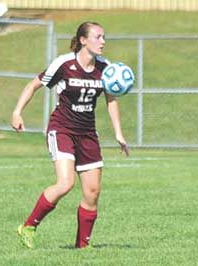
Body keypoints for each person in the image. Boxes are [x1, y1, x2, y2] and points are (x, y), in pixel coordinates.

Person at [11, 21, 129, 249]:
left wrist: (118, 133)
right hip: (62, 129)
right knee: (65, 183)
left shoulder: (106, 67)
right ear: (83, 40)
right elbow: (33, 85)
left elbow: (111, 99)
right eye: (98, 37)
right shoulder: (64, 64)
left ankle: (82, 247)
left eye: (104, 37)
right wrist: (17, 112)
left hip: (87, 133)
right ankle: (28, 226)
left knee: (92, 192)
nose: (103, 42)